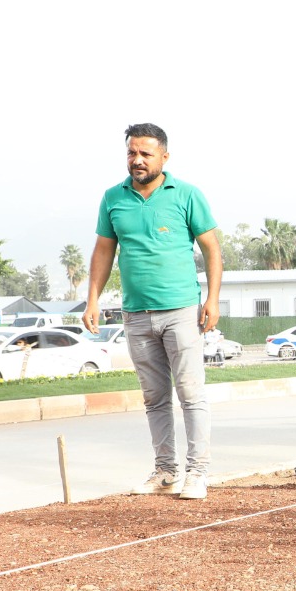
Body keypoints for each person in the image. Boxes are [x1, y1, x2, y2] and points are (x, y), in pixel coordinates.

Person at [83, 123, 221, 500]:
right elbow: (103, 252)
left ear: (164, 156)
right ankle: (165, 471)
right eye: (132, 152)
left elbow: (211, 248)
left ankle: (198, 472)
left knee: (191, 393)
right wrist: (93, 299)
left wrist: (211, 299)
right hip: (135, 314)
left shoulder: (186, 195)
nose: (138, 160)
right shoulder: (113, 198)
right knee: (154, 398)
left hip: (181, 310)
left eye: (145, 153)